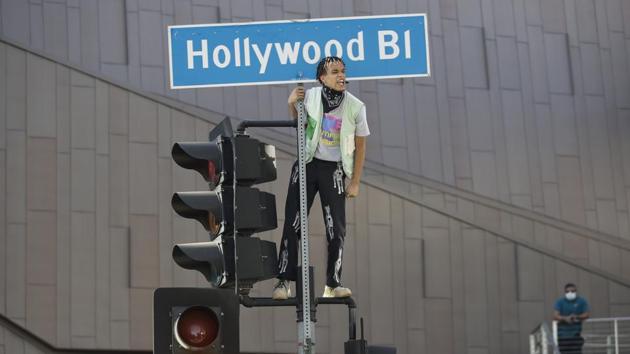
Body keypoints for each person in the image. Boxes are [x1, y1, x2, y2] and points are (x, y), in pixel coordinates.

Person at [272, 56, 369, 299]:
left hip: (334, 169)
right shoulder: (311, 96)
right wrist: (292, 104)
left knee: (336, 228)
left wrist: (355, 181)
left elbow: (361, 145)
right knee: (293, 222)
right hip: (307, 164)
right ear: (322, 78)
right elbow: (300, 125)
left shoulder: (356, 107)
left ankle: (332, 284)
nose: (341, 76)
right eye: (335, 71)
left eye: (343, 71)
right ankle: (283, 281)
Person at [553, 283, 590, 353]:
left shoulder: (581, 301)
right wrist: (565, 318)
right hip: (562, 337)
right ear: (565, 292)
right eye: (567, 292)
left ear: (576, 291)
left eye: (572, 291)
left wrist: (577, 316)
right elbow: (555, 316)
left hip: (576, 336)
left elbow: (586, 314)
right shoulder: (560, 301)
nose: (570, 293)